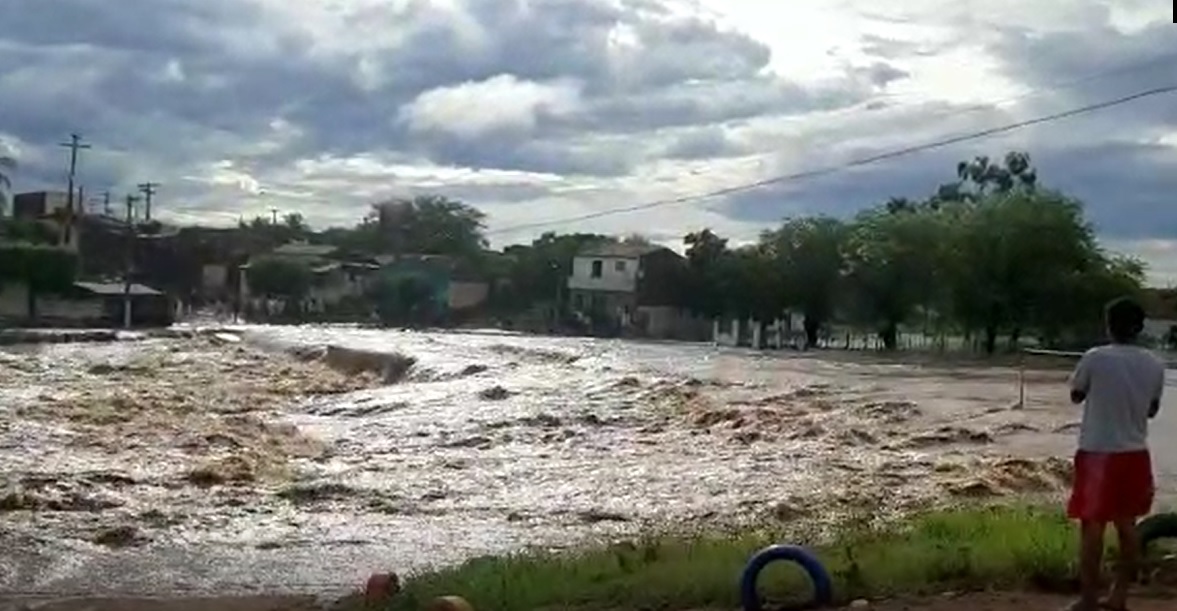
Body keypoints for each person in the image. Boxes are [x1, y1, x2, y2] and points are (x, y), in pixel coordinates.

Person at [1065, 296, 1166, 611]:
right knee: (1128, 526)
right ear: (1139, 328)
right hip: (1135, 453)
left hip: (1098, 452)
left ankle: (1089, 599)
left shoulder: (1095, 357)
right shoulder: (1154, 363)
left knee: (1092, 526)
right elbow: (1151, 410)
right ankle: (1120, 596)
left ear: (1108, 326)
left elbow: (1076, 395)